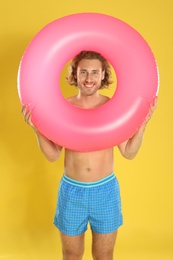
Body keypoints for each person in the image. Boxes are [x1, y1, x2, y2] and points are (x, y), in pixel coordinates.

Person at [21, 51, 157, 260]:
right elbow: (53, 155)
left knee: (104, 255)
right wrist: (36, 130)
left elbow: (129, 152)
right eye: (83, 71)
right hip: (71, 192)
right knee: (71, 255)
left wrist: (142, 126)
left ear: (103, 75)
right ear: (75, 74)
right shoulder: (63, 107)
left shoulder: (112, 107)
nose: (89, 78)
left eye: (95, 72)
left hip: (105, 191)